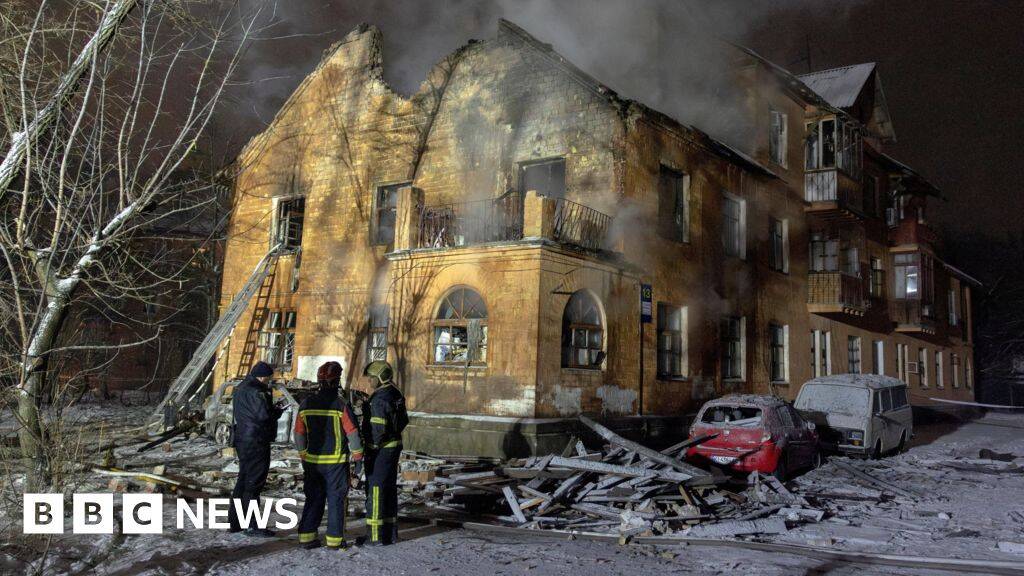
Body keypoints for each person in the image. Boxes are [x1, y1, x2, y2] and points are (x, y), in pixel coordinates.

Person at [294, 361, 363, 549]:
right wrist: (358, 460)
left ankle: (306, 537)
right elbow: (353, 434)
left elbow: (299, 433)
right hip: (336, 464)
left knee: (313, 499)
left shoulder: (306, 404)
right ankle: (334, 540)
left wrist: (303, 455)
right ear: (337, 381)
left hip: (312, 463)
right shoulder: (341, 405)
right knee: (335, 501)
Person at [228, 361, 285, 536]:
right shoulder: (257, 392)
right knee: (254, 483)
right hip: (256, 440)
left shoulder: (240, 388)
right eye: (268, 378)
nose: (269, 381)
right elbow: (263, 416)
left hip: (242, 439)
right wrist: (277, 411)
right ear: (261, 377)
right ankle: (252, 525)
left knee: (243, 480)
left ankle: (235, 522)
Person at [361, 360, 408, 546]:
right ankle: (390, 533)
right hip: (393, 447)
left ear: (381, 378)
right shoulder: (395, 393)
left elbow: (378, 430)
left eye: (371, 378)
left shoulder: (379, 399)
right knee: (388, 489)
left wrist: (370, 446)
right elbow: (403, 420)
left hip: (380, 451)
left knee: (375, 490)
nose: (369, 381)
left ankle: (374, 536)